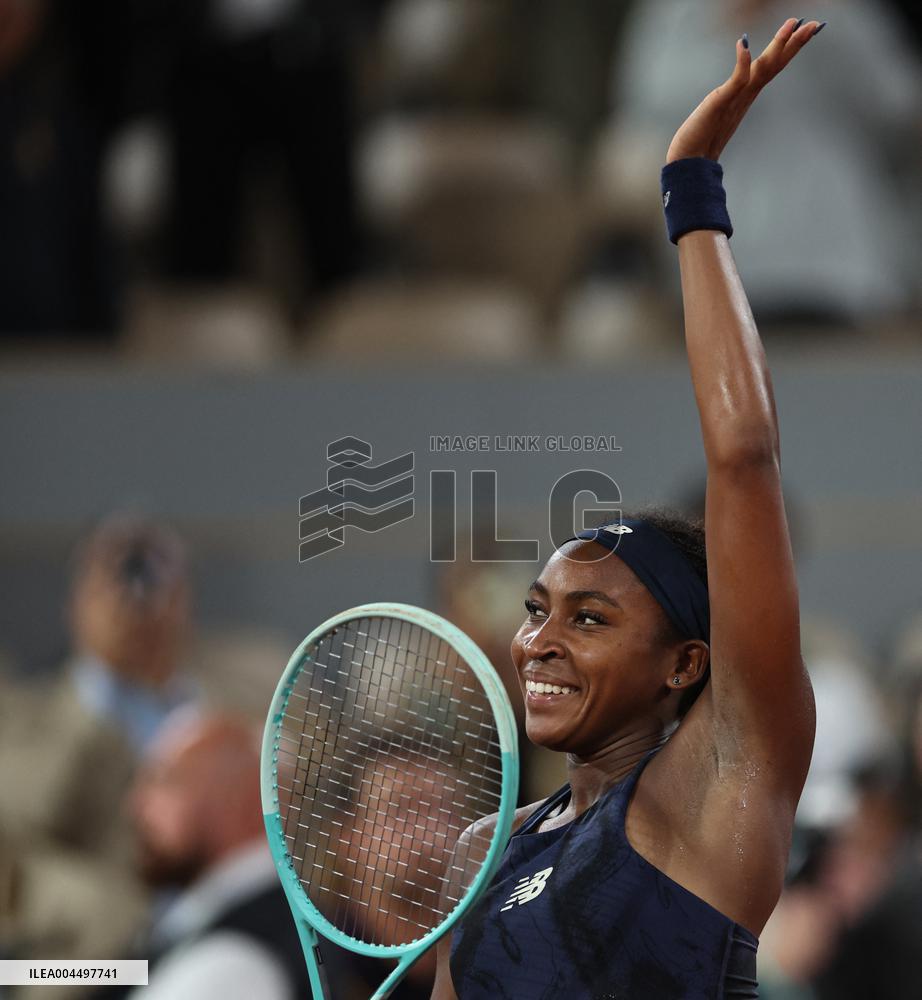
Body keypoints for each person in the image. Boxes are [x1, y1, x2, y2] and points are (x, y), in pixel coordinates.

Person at [433, 18, 818, 1000]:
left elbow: (740, 456)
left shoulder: (717, 784)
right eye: (536, 610)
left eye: (589, 616)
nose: (540, 640)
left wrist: (689, 183)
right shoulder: (486, 848)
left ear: (685, 664)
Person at [98, 710, 313, 1000]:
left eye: (168, 779)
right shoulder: (212, 919)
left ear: (240, 798)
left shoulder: (239, 956)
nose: (136, 805)